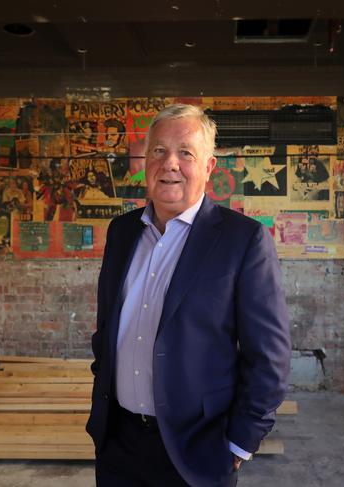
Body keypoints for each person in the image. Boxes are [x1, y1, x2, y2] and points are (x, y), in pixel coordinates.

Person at [87, 104, 291, 486]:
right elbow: (107, 332)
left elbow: (269, 357)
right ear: (145, 160)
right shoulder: (121, 233)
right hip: (119, 446)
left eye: (186, 153)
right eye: (159, 151)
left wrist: (240, 443)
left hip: (198, 450)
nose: (170, 164)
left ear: (210, 167)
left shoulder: (242, 240)